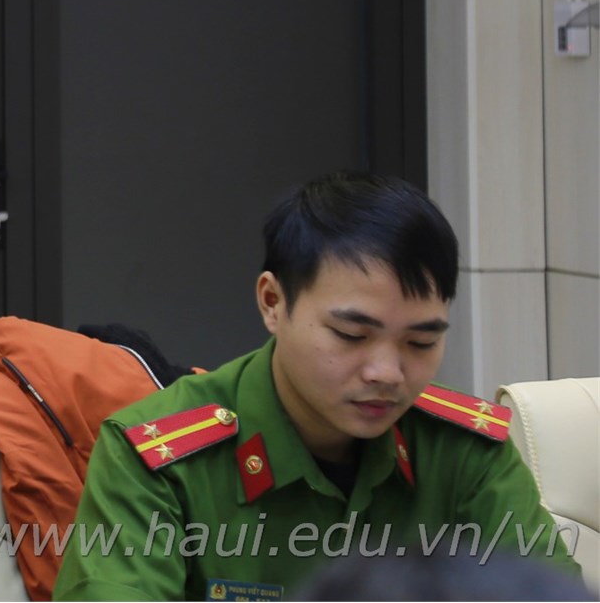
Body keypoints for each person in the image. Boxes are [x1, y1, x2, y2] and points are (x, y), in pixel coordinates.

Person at [54, 172, 581, 601]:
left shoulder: (464, 452)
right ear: (272, 302)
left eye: (420, 342)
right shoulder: (161, 463)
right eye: (352, 335)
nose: (387, 372)